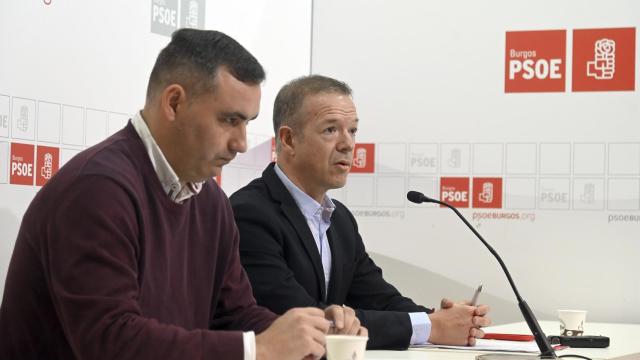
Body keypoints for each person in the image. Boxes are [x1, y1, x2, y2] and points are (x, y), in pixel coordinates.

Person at [0, 30, 365, 360]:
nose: (241, 143)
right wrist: (260, 348)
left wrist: (312, 334)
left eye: (247, 124)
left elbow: (234, 314)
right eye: (229, 120)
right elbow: (108, 341)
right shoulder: (97, 189)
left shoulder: (211, 202)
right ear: (174, 103)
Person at [230, 75, 491, 350]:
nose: (348, 144)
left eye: (352, 130)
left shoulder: (339, 219)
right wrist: (432, 327)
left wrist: (441, 319)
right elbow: (302, 318)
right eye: (331, 130)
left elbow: (379, 298)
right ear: (289, 139)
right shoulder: (250, 214)